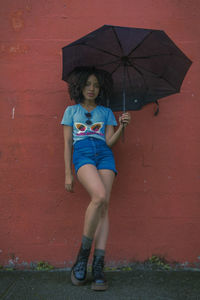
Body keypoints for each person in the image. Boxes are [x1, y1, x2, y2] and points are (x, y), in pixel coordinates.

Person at [61, 66, 131, 291]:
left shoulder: (107, 112)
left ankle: (98, 266)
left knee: (104, 207)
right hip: (82, 153)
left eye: (96, 85)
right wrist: (68, 173)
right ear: (79, 87)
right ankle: (82, 257)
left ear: (101, 89)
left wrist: (122, 127)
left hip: (104, 155)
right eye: (87, 84)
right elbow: (67, 144)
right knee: (99, 196)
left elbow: (110, 142)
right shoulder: (71, 112)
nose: (91, 89)